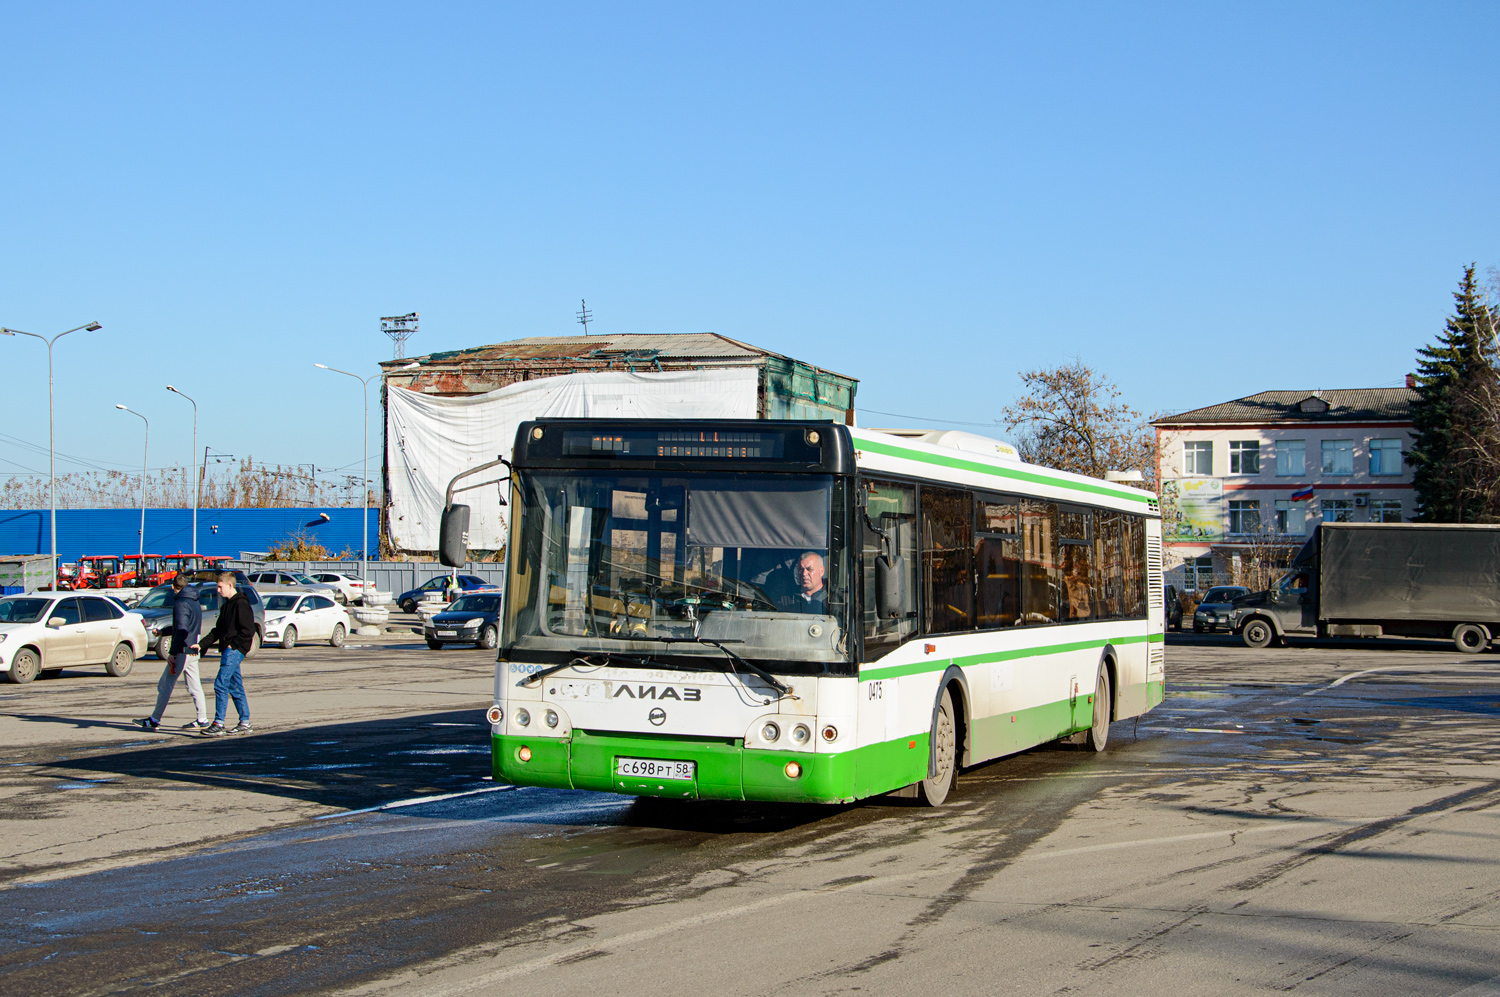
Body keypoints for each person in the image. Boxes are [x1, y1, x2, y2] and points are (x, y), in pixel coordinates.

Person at [134, 574, 208, 731]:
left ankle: (155, 719)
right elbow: (184, 626)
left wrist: (173, 654)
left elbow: (181, 630)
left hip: (183, 649)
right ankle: (202, 718)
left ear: (174, 588)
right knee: (195, 686)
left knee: (165, 684)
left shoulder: (181, 603)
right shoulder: (194, 600)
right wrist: (164, 631)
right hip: (193, 647)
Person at [198, 571, 256, 736]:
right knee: (234, 685)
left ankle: (219, 723)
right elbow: (218, 630)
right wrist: (201, 645)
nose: (218, 590)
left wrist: (234, 646)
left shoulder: (241, 604)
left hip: (234, 650)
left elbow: (248, 631)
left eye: (220, 587)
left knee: (220, 683)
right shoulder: (226, 606)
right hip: (227, 649)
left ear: (230, 585)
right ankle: (245, 722)